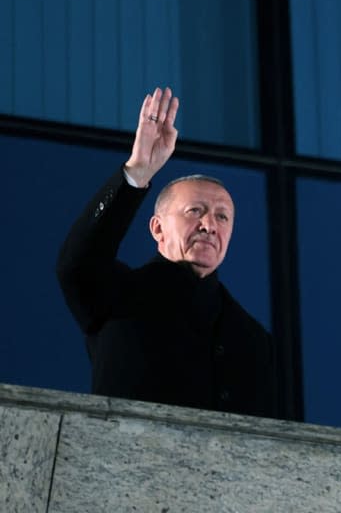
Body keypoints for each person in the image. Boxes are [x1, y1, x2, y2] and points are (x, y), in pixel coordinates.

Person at [57, 87, 282, 419]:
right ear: (158, 229)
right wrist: (137, 173)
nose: (209, 224)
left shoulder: (253, 338)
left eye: (222, 216)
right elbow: (76, 264)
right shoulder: (116, 296)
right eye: (195, 211)